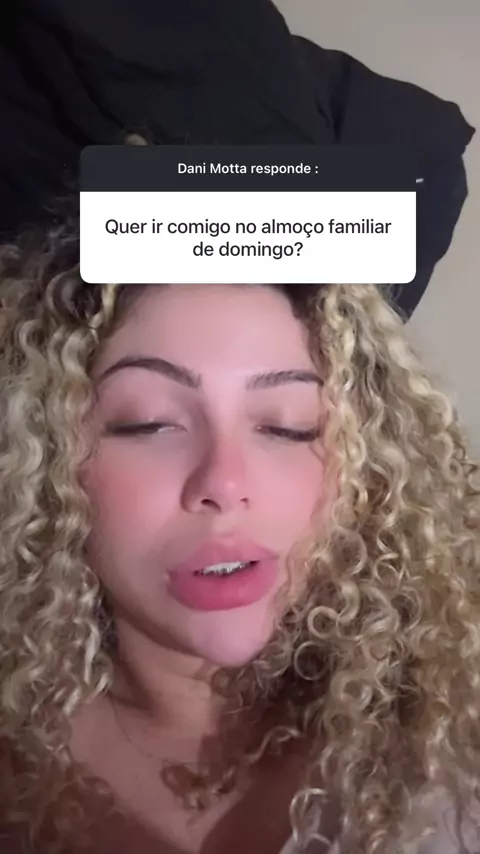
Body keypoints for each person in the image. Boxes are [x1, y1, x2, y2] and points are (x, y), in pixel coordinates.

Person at [0, 225, 480, 854]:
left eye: (288, 426)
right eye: (149, 422)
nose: (224, 484)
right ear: (46, 463)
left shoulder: (454, 741)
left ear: (366, 470)